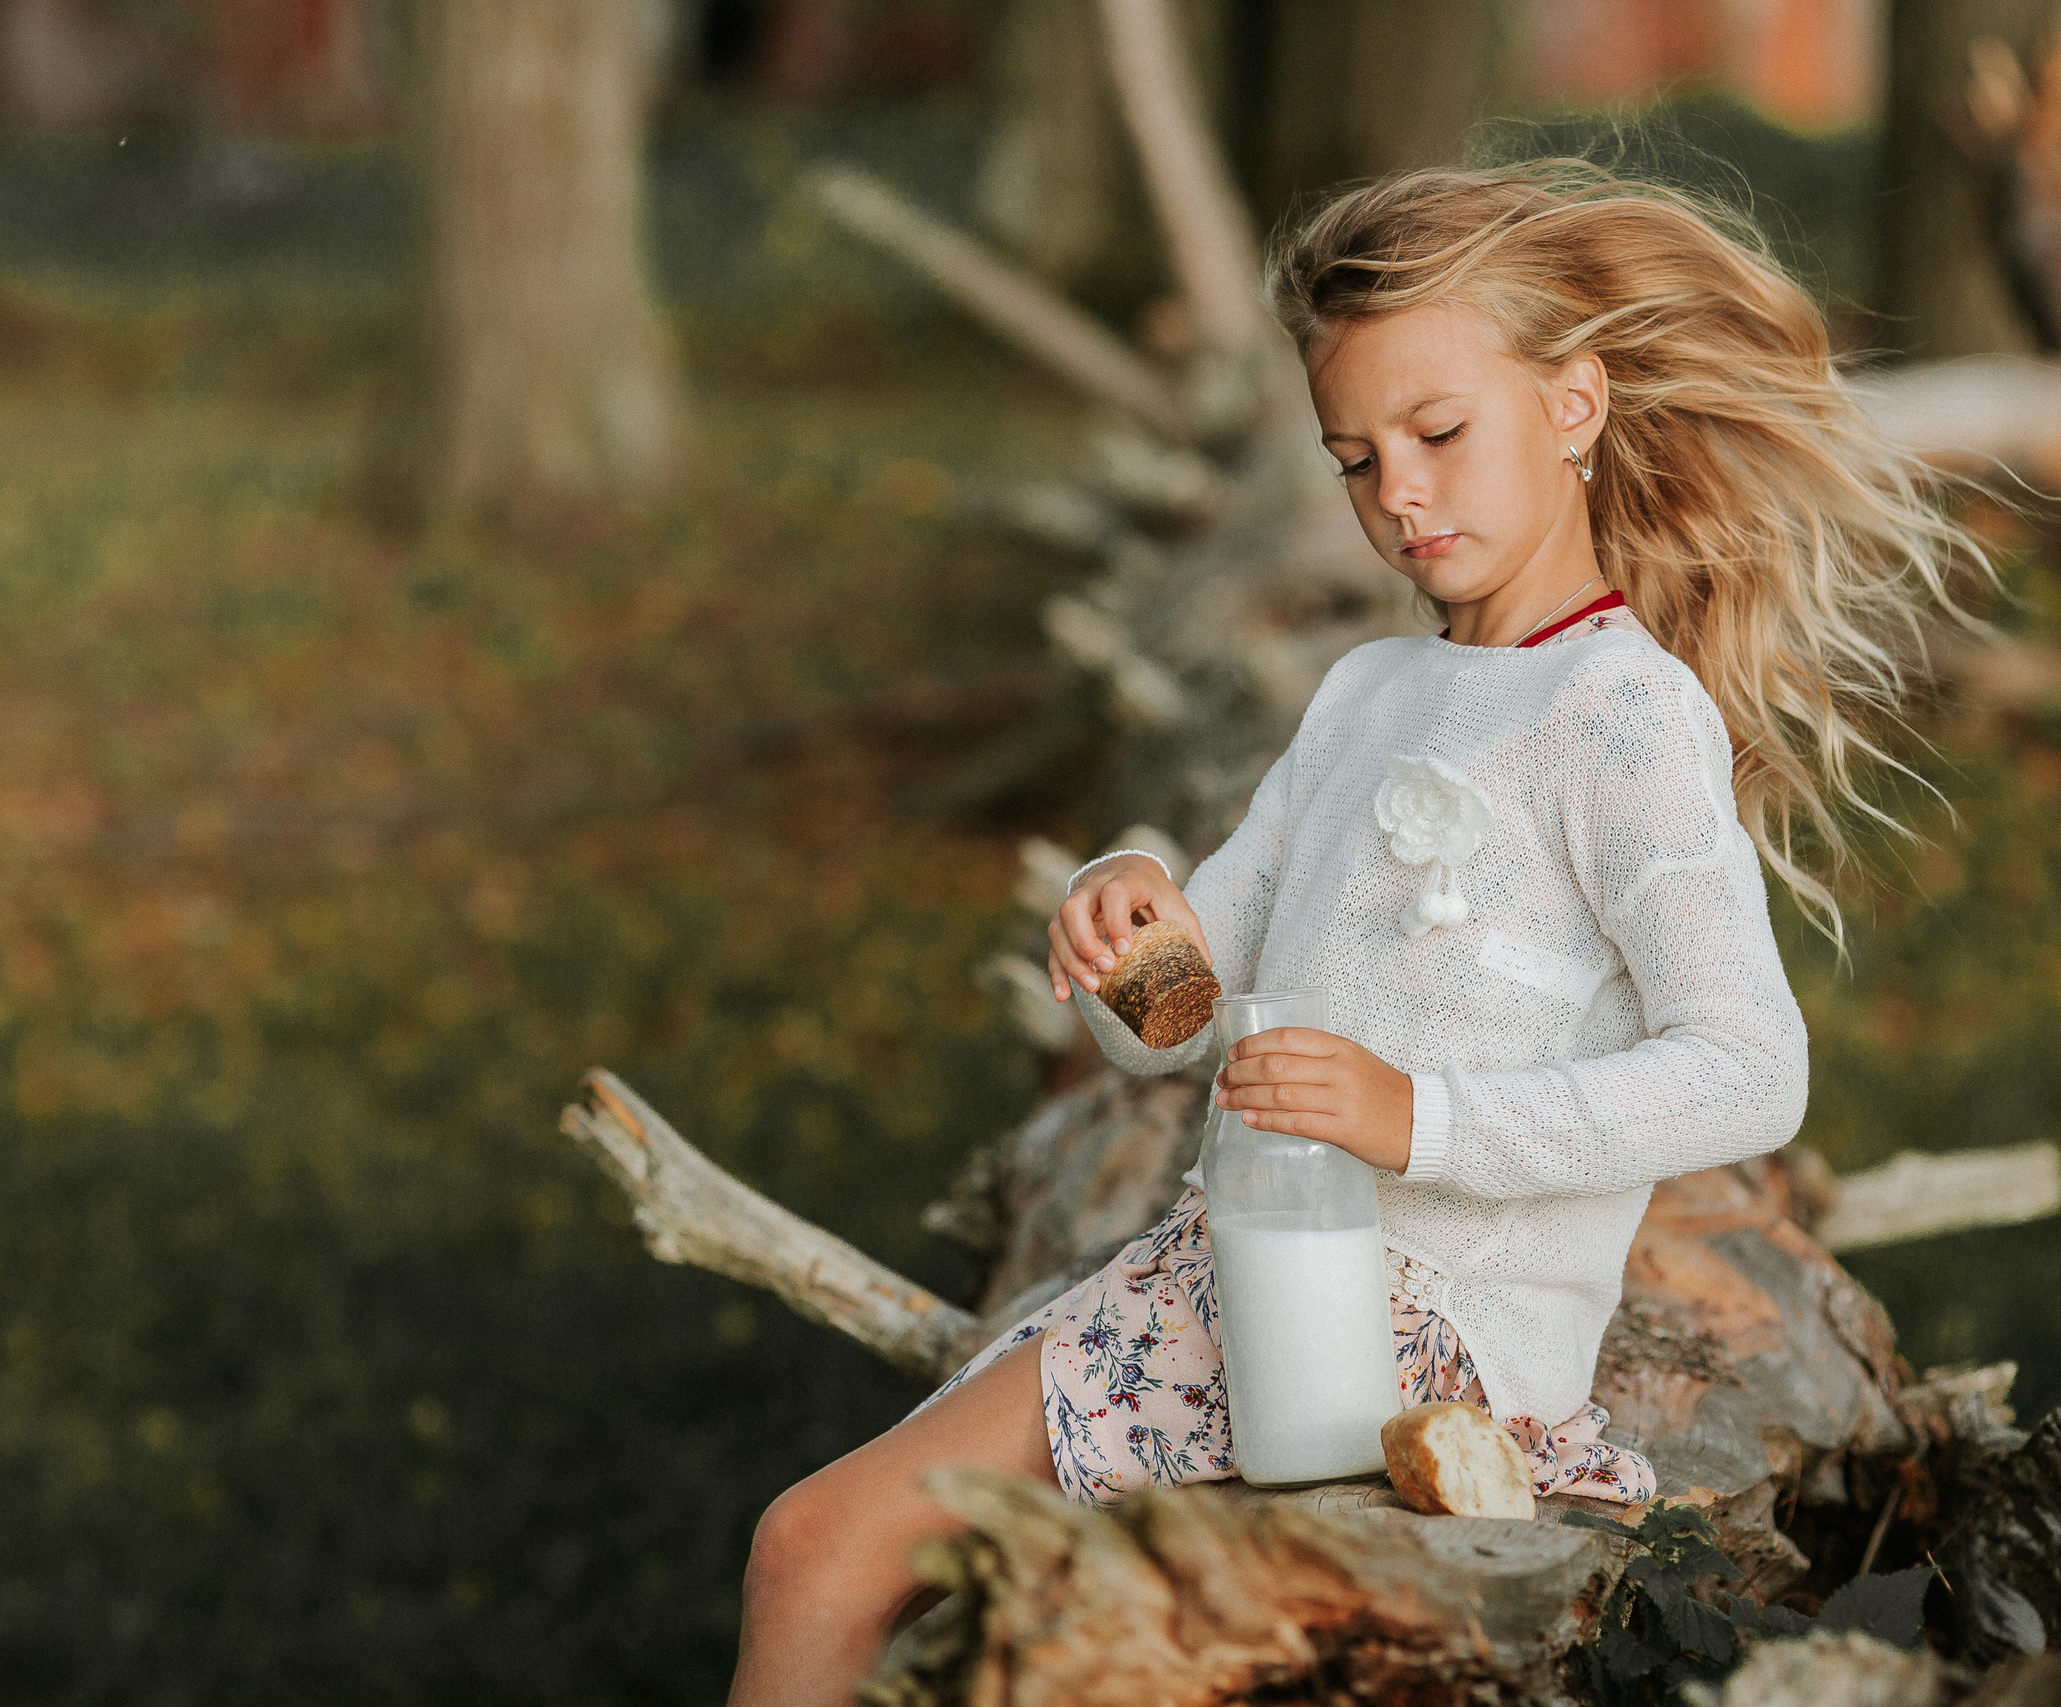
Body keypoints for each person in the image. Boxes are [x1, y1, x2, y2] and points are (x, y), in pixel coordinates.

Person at [724, 161, 1990, 1707]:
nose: (1399, 492)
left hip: (1428, 1348)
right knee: (813, 1552)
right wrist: (1134, 922)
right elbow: (1187, 1012)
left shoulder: (1621, 717)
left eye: (1440, 436)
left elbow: (1747, 1072)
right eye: (1353, 458)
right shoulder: (1366, 696)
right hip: (1229, 1273)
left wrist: (1418, 1117)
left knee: (884, 1572)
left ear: (1576, 404)